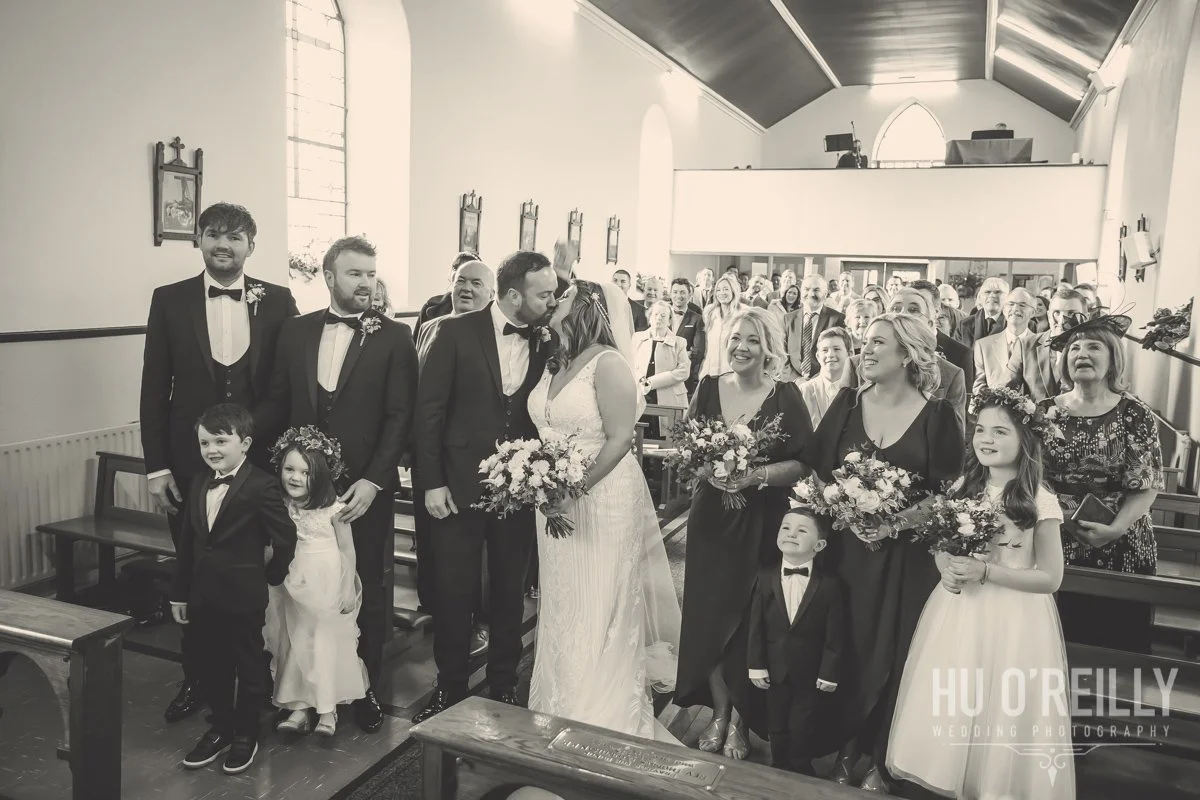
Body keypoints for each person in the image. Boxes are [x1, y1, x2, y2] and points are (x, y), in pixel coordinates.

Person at [140, 202, 298, 723]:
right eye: (213, 234)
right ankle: (198, 679)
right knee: (193, 572)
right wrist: (157, 466)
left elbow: (284, 384)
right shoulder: (169, 299)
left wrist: (251, 437)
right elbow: (153, 388)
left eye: (234, 237)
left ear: (251, 245)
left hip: (258, 466)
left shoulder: (279, 300)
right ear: (199, 240)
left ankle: (258, 678)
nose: (223, 245)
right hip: (189, 463)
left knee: (254, 574)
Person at [256, 235, 418, 733]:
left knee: (362, 586)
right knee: (301, 589)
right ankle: (304, 690)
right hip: (300, 493)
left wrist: (374, 481)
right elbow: (277, 403)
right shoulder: (295, 332)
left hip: (361, 493)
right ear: (328, 277)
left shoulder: (394, 337)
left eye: (370, 273)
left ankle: (364, 689)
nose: (366, 282)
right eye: (354, 273)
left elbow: (400, 417)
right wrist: (243, 449)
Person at [801, 313, 963, 792]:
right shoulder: (847, 403)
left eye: (877, 344)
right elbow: (818, 473)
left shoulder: (938, 416)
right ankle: (844, 747)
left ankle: (881, 757)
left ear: (908, 354)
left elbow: (947, 494)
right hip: (847, 554)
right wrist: (846, 511)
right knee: (845, 645)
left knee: (894, 652)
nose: (864, 352)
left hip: (907, 560)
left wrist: (893, 521)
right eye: (864, 343)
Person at [888, 388, 1074, 799]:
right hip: (960, 612)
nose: (986, 439)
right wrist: (947, 568)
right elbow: (941, 544)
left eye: (1000, 432)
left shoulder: (1039, 500)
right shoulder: (963, 487)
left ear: (1026, 440)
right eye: (981, 430)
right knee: (956, 693)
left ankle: (994, 785)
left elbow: (1051, 578)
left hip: (1014, 618)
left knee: (1000, 704)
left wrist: (987, 571)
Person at [526, 279, 682, 740]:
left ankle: (597, 707)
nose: (554, 302)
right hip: (554, 496)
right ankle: (558, 695)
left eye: (563, 297)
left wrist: (574, 488)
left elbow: (619, 439)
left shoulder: (608, 363)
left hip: (601, 495)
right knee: (562, 595)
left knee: (599, 595)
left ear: (585, 308)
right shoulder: (556, 360)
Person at [412, 250, 560, 723]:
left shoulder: (547, 341)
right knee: (453, 591)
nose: (552, 302)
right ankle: (449, 686)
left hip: (519, 490)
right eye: (544, 294)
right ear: (513, 295)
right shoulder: (453, 332)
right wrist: (431, 483)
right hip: (456, 487)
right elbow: (428, 412)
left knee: (509, 592)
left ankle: (503, 684)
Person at [677, 308, 813, 760]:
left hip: (761, 520)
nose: (741, 347)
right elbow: (688, 447)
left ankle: (742, 719)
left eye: (753, 340)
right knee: (710, 616)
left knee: (749, 620)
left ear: (768, 347)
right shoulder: (708, 387)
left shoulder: (786, 396)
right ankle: (719, 712)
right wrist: (710, 470)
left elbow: (804, 462)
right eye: (736, 337)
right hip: (711, 518)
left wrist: (757, 475)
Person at [170, 404, 297, 774]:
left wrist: (269, 576)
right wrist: (179, 592)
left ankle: (246, 733)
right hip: (202, 594)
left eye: (221, 441)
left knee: (249, 665)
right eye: (204, 443)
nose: (212, 449)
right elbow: (188, 543)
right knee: (212, 664)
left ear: (245, 443)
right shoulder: (199, 482)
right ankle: (221, 727)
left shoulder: (261, 485)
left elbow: (285, 537)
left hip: (243, 594)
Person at [1039, 313, 1163, 653]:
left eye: (1094, 347)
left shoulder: (1134, 413)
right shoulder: (1043, 412)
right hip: (1055, 536)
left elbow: (1147, 483)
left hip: (1123, 538)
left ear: (1112, 358)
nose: (1082, 353)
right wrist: (1063, 517)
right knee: (1057, 644)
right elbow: (1031, 478)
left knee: (1118, 649)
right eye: (1074, 348)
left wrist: (1116, 528)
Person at [265, 427, 368, 738]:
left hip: (325, 581)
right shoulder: (280, 504)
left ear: (321, 474)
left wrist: (348, 588)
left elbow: (347, 549)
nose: (295, 477)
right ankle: (298, 706)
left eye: (305, 472)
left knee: (322, 641)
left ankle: (326, 707)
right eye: (290, 469)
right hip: (291, 578)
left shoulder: (334, 509)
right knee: (293, 640)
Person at [414, 258, 496, 642]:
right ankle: (434, 609)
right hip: (430, 454)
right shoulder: (430, 326)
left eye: (477, 283)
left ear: (492, 293)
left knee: (472, 554)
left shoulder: (495, 336)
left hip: (473, 463)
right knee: (430, 542)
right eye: (461, 281)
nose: (466, 288)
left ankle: (475, 620)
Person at [748, 507, 845, 776]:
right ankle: (778, 766)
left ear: (819, 545)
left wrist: (829, 672)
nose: (791, 534)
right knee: (776, 724)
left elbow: (835, 634)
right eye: (786, 528)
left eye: (802, 531)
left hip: (810, 673)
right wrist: (756, 665)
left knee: (804, 724)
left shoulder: (830, 584)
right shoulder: (765, 576)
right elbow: (755, 626)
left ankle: (801, 769)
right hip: (774, 671)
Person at [1005, 288, 1089, 401]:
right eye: (1057, 312)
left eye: (1072, 313)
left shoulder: (1096, 351)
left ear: (1086, 317)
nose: (1062, 320)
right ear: (1049, 315)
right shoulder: (1025, 346)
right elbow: (1004, 393)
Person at [633, 301, 690, 439]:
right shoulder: (637, 338)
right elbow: (629, 363)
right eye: (656, 314)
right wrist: (641, 379)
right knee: (641, 436)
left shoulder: (679, 342)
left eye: (663, 316)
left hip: (669, 397)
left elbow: (684, 371)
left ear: (669, 320)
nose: (659, 318)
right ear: (650, 317)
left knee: (667, 436)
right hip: (642, 394)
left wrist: (652, 382)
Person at [908, 279, 973, 390]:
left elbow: (963, 398)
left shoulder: (960, 354)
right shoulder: (890, 345)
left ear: (936, 312)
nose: (908, 314)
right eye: (909, 308)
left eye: (916, 308)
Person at [972, 287, 1036, 396]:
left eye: (1022, 305)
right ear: (1004, 309)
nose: (1015, 309)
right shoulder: (983, 345)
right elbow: (979, 387)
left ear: (1033, 312)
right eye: (1011, 304)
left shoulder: (1041, 345)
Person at [780, 275, 845, 382]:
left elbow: (839, 356)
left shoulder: (837, 319)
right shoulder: (789, 318)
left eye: (816, 290)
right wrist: (796, 380)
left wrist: (815, 381)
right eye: (806, 289)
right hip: (794, 382)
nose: (811, 294)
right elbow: (783, 354)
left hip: (824, 382)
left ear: (825, 293)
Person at [415, 251, 480, 339]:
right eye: (455, 267)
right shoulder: (431, 307)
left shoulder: (486, 310)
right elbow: (417, 343)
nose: (459, 272)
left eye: (467, 268)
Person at [797, 327, 851, 426]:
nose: (830, 354)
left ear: (849, 354)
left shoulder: (857, 390)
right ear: (818, 356)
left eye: (836, 349)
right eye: (825, 350)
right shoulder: (803, 391)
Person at [699, 273, 746, 379]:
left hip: (734, 373)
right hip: (710, 372)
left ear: (733, 291)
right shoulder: (709, 312)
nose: (722, 293)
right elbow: (707, 346)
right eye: (718, 290)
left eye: (726, 289)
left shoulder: (744, 313)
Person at [668, 278, 706, 396]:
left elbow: (698, 352)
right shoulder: (661, 315)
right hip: (661, 373)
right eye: (675, 292)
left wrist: (682, 366)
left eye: (682, 292)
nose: (678, 296)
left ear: (690, 295)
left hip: (685, 376)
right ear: (670, 294)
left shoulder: (697, 319)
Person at [962, 277, 1010, 346]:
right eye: (987, 292)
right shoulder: (964, 325)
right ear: (980, 297)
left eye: (998, 292)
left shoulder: (1015, 324)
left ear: (1008, 297)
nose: (992, 296)